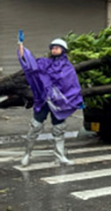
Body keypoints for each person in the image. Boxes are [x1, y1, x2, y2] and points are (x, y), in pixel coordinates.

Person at [18, 38, 83, 167]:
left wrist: (73, 100)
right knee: (35, 127)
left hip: (59, 104)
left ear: (63, 50)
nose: (54, 49)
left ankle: (60, 156)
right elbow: (31, 66)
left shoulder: (68, 67)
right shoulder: (44, 63)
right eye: (53, 47)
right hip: (43, 100)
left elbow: (71, 85)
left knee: (59, 129)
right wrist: (21, 48)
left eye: (57, 47)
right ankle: (27, 154)